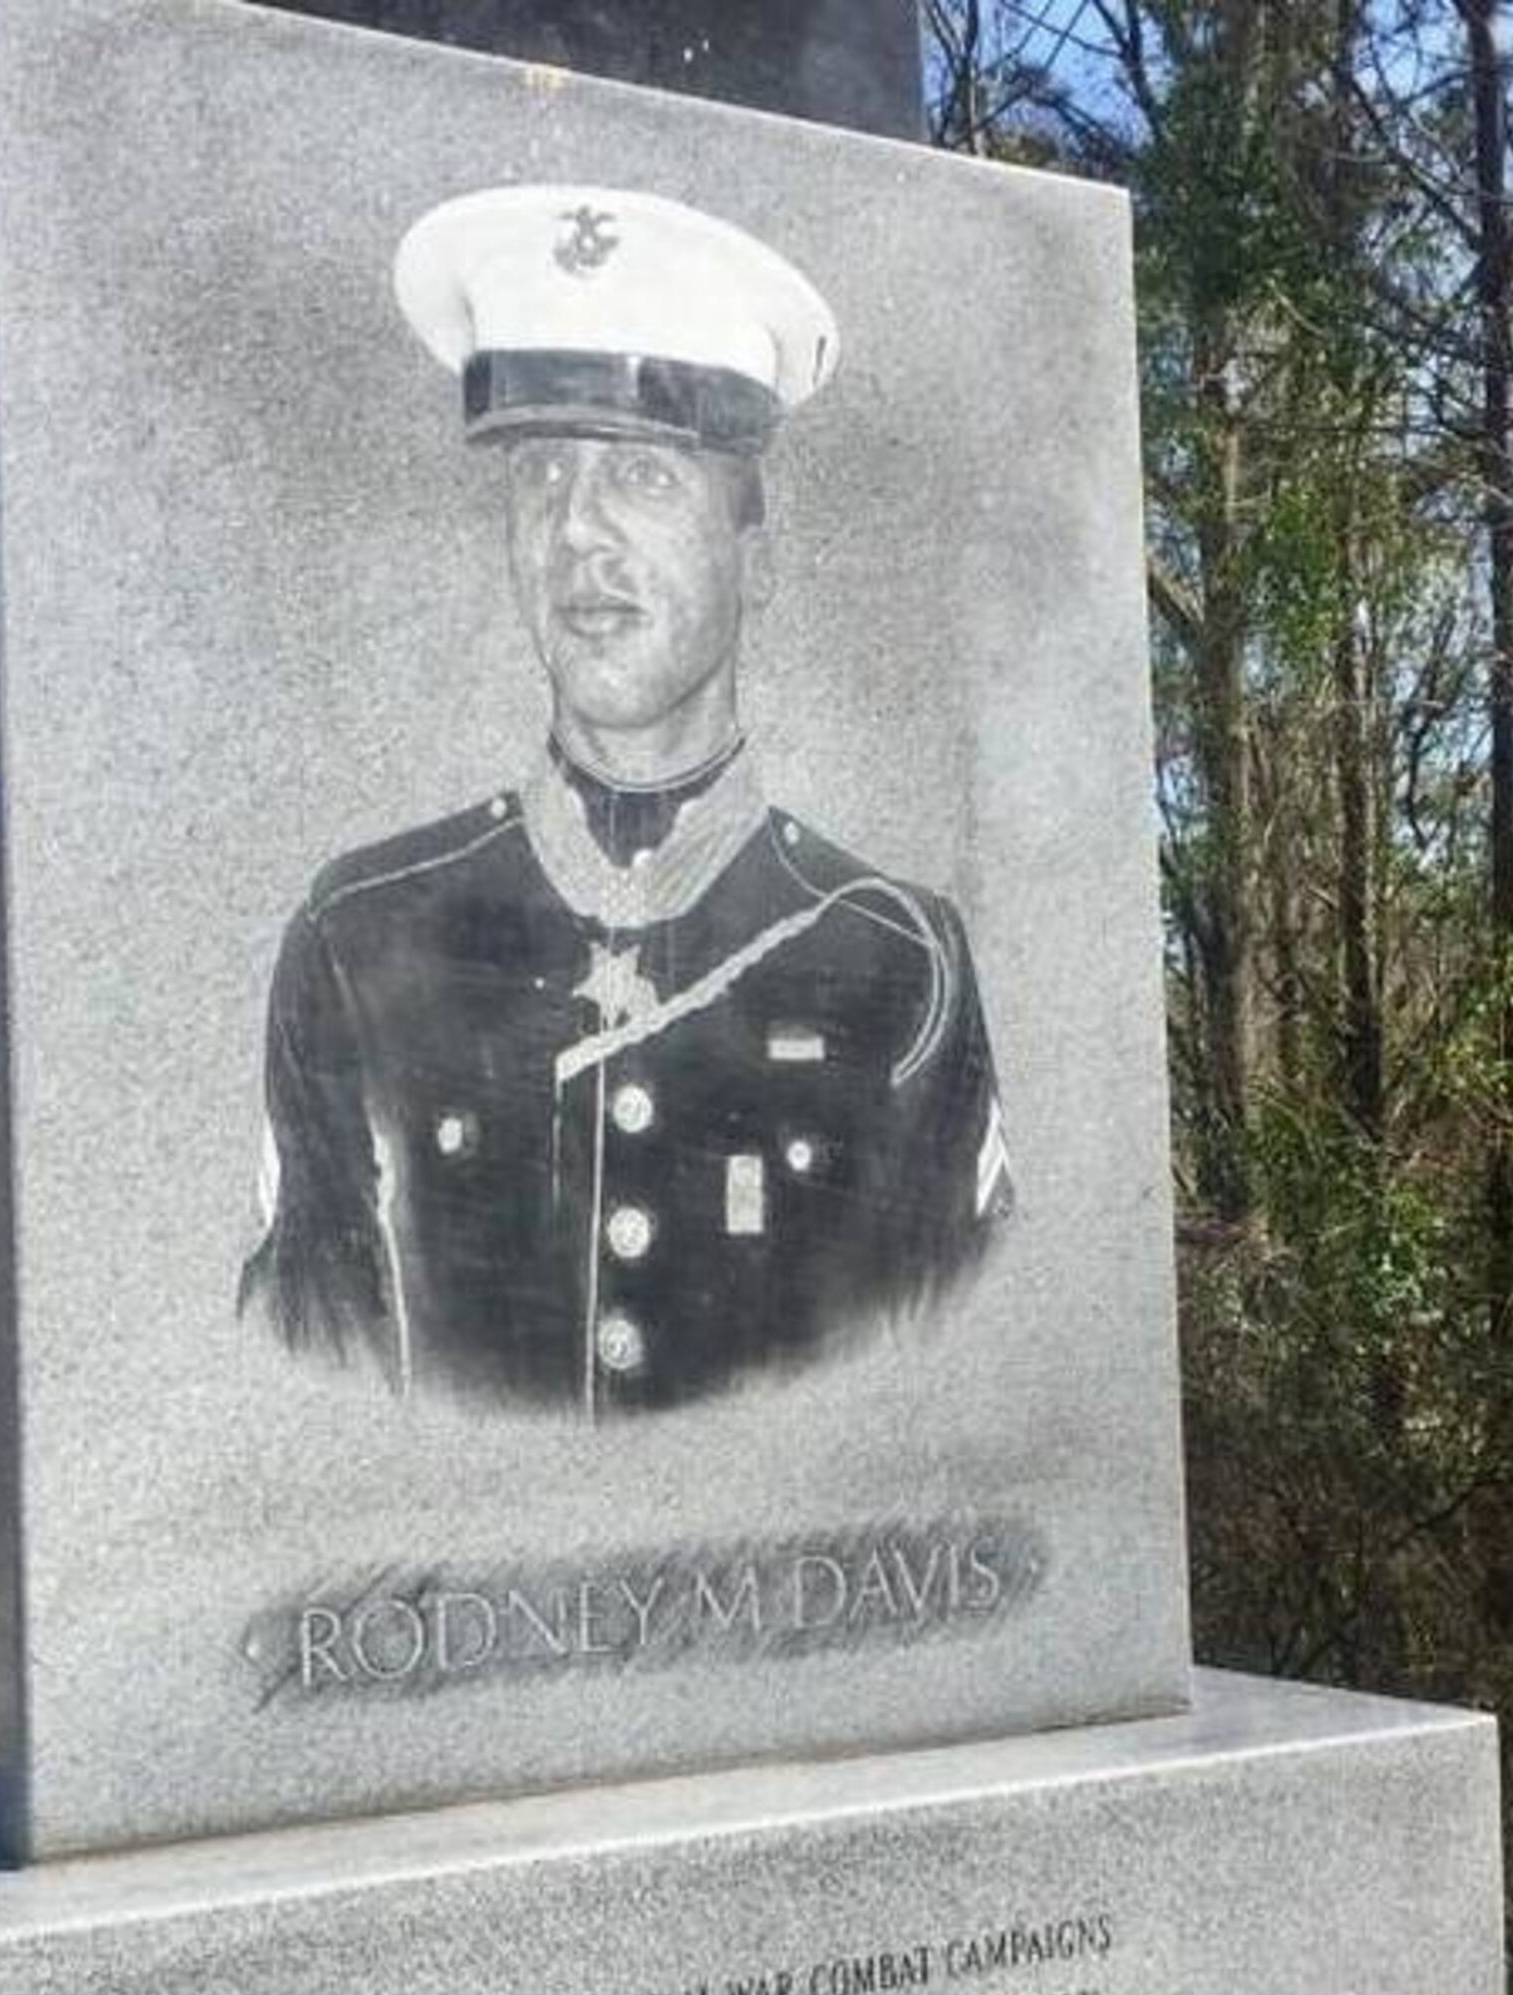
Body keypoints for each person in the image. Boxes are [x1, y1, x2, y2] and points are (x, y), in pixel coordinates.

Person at [243, 185, 1010, 1419]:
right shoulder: (358, 935)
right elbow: (300, 1382)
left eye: (645, 479)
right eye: (543, 474)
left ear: (754, 559)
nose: (578, 533)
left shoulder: (894, 960)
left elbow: (956, 1390)